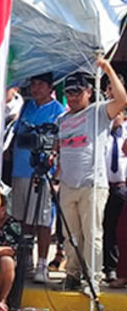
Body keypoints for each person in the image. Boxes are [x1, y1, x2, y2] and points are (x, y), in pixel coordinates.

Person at [56, 58, 127, 292]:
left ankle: (93, 279)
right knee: (71, 235)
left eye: (77, 92)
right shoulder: (62, 119)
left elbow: (122, 100)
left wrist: (108, 69)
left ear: (88, 92)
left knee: (93, 234)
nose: (73, 97)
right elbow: (58, 150)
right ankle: (73, 275)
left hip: (93, 184)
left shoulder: (98, 112)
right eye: (69, 93)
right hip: (67, 184)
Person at [10, 72, 64, 283]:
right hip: (20, 169)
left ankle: (42, 263)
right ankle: (26, 263)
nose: (35, 88)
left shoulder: (58, 111)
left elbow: (60, 144)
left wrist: (57, 174)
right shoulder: (26, 107)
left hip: (44, 174)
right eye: (32, 84)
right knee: (23, 219)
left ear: (51, 87)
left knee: (43, 220)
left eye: (40, 84)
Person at [103, 110, 127, 283]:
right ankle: (110, 268)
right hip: (104, 185)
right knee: (109, 229)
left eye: (117, 113)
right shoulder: (101, 130)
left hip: (122, 185)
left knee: (122, 230)